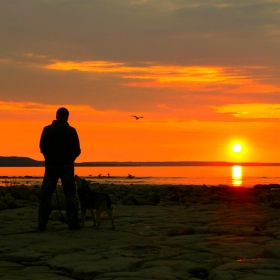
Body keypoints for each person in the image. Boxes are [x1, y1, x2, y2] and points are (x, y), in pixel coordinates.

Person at [38, 107, 81, 231]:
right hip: (66, 166)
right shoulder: (71, 131)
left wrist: (49, 157)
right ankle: (73, 223)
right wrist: (69, 159)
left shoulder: (47, 130)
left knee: (46, 195)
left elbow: (42, 147)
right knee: (71, 195)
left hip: (51, 166)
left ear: (56, 116)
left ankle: (42, 224)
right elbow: (77, 150)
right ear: (67, 116)